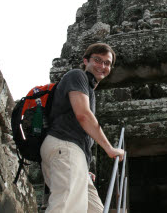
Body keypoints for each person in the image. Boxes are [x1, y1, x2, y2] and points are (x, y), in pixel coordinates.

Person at [40, 43, 125, 213]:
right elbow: (83, 115)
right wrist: (109, 149)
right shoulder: (77, 75)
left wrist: (84, 167)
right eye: (97, 60)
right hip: (64, 147)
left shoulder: (88, 89)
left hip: (72, 153)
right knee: (65, 208)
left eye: (107, 63)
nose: (102, 66)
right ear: (86, 61)